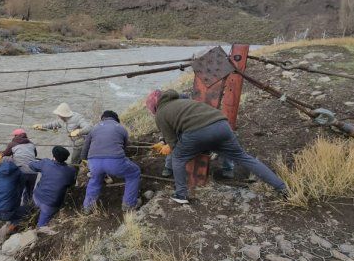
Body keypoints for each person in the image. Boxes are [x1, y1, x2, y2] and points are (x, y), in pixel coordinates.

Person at [148, 89, 288, 204]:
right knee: (244, 158)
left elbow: (173, 143)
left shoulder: (161, 113)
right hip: (222, 125)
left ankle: (180, 195)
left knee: (178, 158)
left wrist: (167, 147)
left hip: (198, 132)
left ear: (154, 107)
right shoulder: (183, 100)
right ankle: (282, 187)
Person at [80, 110, 141, 212]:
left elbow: (85, 148)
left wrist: (84, 161)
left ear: (102, 118)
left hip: (94, 162)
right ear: (116, 120)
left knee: (95, 179)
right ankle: (129, 205)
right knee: (134, 172)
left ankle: (88, 207)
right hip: (115, 161)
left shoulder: (94, 128)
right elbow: (124, 147)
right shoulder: (121, 128)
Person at [16, 146, 77, 233]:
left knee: (28, 209)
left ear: (54, 156)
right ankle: (39, 227)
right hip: (51, 204)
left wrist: (42, 162)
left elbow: (31, 165)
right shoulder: (71, 171)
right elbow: (71, 184)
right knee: (41, 226)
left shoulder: (46, 163)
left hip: (37, 197)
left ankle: (23, 223)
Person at [0, 129, 39, 206]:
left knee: (18, 192)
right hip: (33, 171)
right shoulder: (32, 144)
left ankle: (16, 210)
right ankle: (28, 209)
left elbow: (3, 154)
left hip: (22, 172)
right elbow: (35, 155)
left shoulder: (12, 143)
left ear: (16, 136)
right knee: (29, 192)